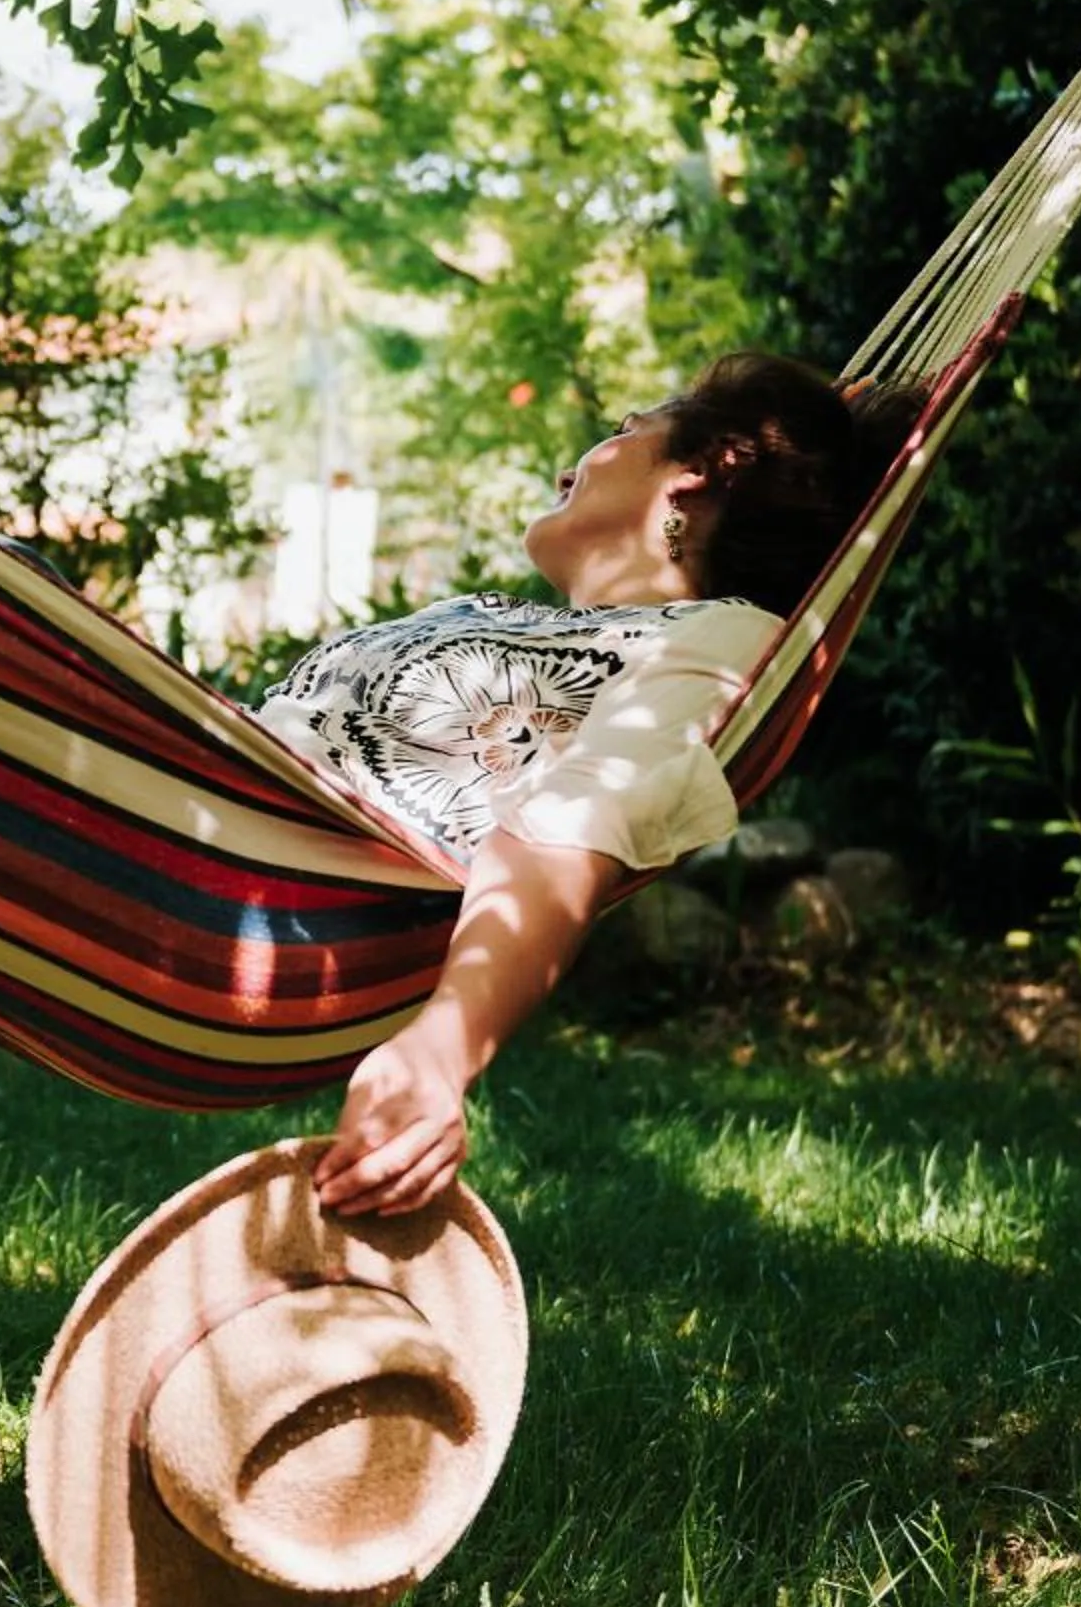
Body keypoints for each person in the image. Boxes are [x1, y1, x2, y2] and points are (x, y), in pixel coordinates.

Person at [254, 353, 922, 1219]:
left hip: (236, 868)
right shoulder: (550, 624)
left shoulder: (715, 640)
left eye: (622, 433)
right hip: (184, 784)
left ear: (703, 471)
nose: (573, 464)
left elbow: (575, 819)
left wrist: (440, 1050)